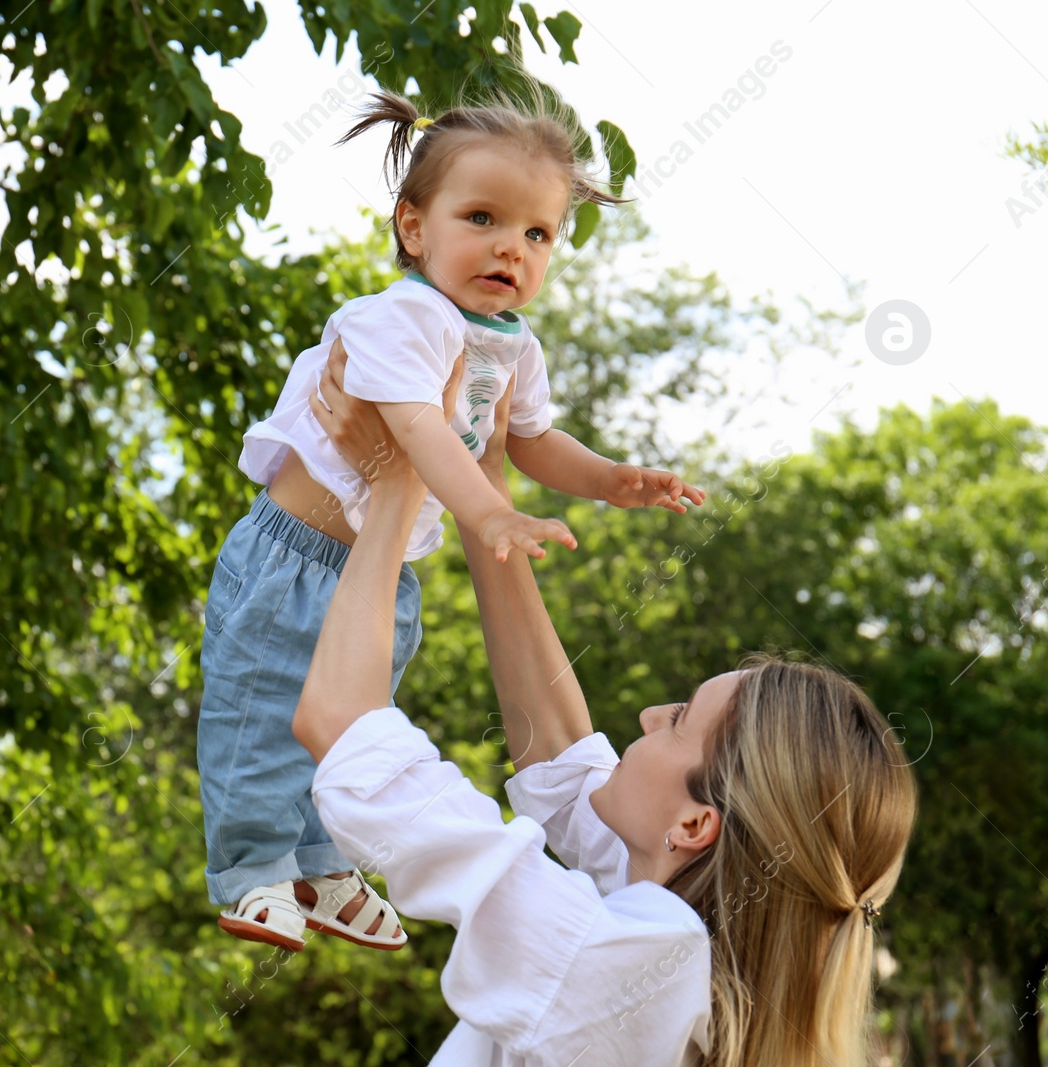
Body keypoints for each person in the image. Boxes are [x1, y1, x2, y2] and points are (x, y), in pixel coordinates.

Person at [292, 343, 919, 1066]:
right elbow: (561, 756)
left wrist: (400, 483)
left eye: (680, 721)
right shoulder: (685, 947)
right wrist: (483, 475)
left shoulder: (635, 964)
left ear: (693, 823)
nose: (653, 713)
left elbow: (340, 726)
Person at [198, 83, 704, 953]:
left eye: (537, 233)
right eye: (482, 218)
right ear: (413, 227)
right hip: (295, 553)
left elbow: (529, 440)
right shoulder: (403, 317)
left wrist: (612, 479)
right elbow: (417, 430)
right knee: (262, 702)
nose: (512, 247)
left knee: (359, 720)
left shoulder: (513, 344)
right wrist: (488, 514)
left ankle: (318, 859)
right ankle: (249, 866)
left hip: (381, 571)